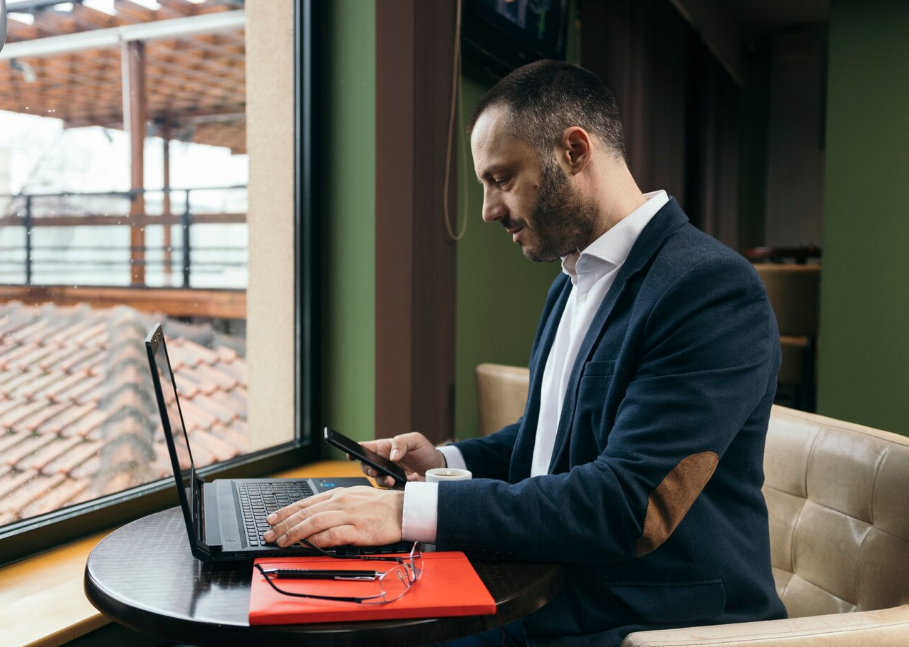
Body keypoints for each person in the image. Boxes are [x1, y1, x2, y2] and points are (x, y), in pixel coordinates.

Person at [264, 60, 787, 646]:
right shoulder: (571, 280)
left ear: (574, 150)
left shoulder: (709, 289)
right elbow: (552, 439)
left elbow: (626, 505)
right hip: (549, 588)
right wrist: (442, 461)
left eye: (501, 178)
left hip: (643, 620)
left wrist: (407, 511)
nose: (488, 209)